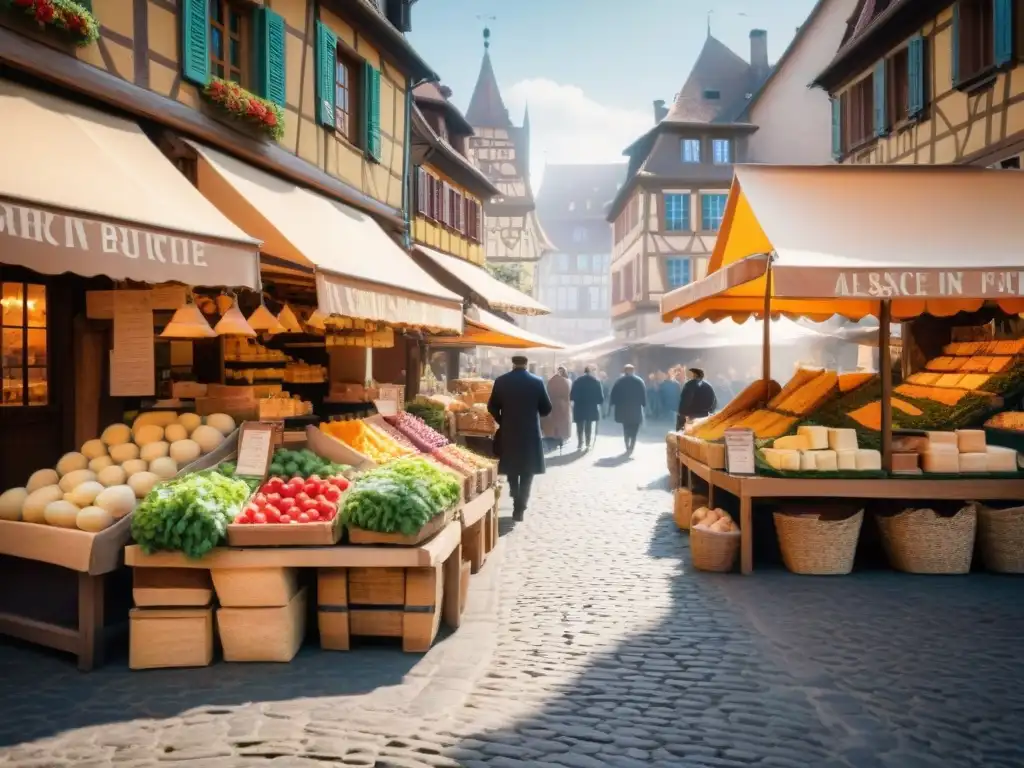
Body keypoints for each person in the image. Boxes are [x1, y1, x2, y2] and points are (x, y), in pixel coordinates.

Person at [488, 355, 552, 521]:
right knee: (527, 470)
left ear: (513, 364)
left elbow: (492, 406)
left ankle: (514, 493)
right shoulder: (537, 382)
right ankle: (520, 507)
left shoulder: (501, 381)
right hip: (530, 431)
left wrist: (502, 420)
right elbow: (546, 408)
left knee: (511, 465)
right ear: (526, 364)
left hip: (509, 429)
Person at [610, 363, 647, 455]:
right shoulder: (639, 381)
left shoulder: (619, 381)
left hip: (623, 409)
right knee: (635, 428)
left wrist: (613, 404)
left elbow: (614, 394)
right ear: (633, 371)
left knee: (626, 428)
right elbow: (643, 394)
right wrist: (644, 404)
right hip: (635, 409)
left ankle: (627, 445)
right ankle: (631, 446)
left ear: (624, 371)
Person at [570, 365, 604, 451]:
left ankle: (580, 442)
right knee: (588, 426)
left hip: (579, 407)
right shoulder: (596, 382)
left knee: (579, 426)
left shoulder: (577, 381)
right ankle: (588, 443)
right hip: (591, 407)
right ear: (592, 372)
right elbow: (600, 398)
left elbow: (572, 396)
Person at [541, 367, 572, 451]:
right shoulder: (567, 381)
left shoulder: (551, 381)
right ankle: (560, 439)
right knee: (562, 423)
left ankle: (553, 438)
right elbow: (569, 394)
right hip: (564, 406)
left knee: (553, 422)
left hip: (552, 404)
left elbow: (547, 392)